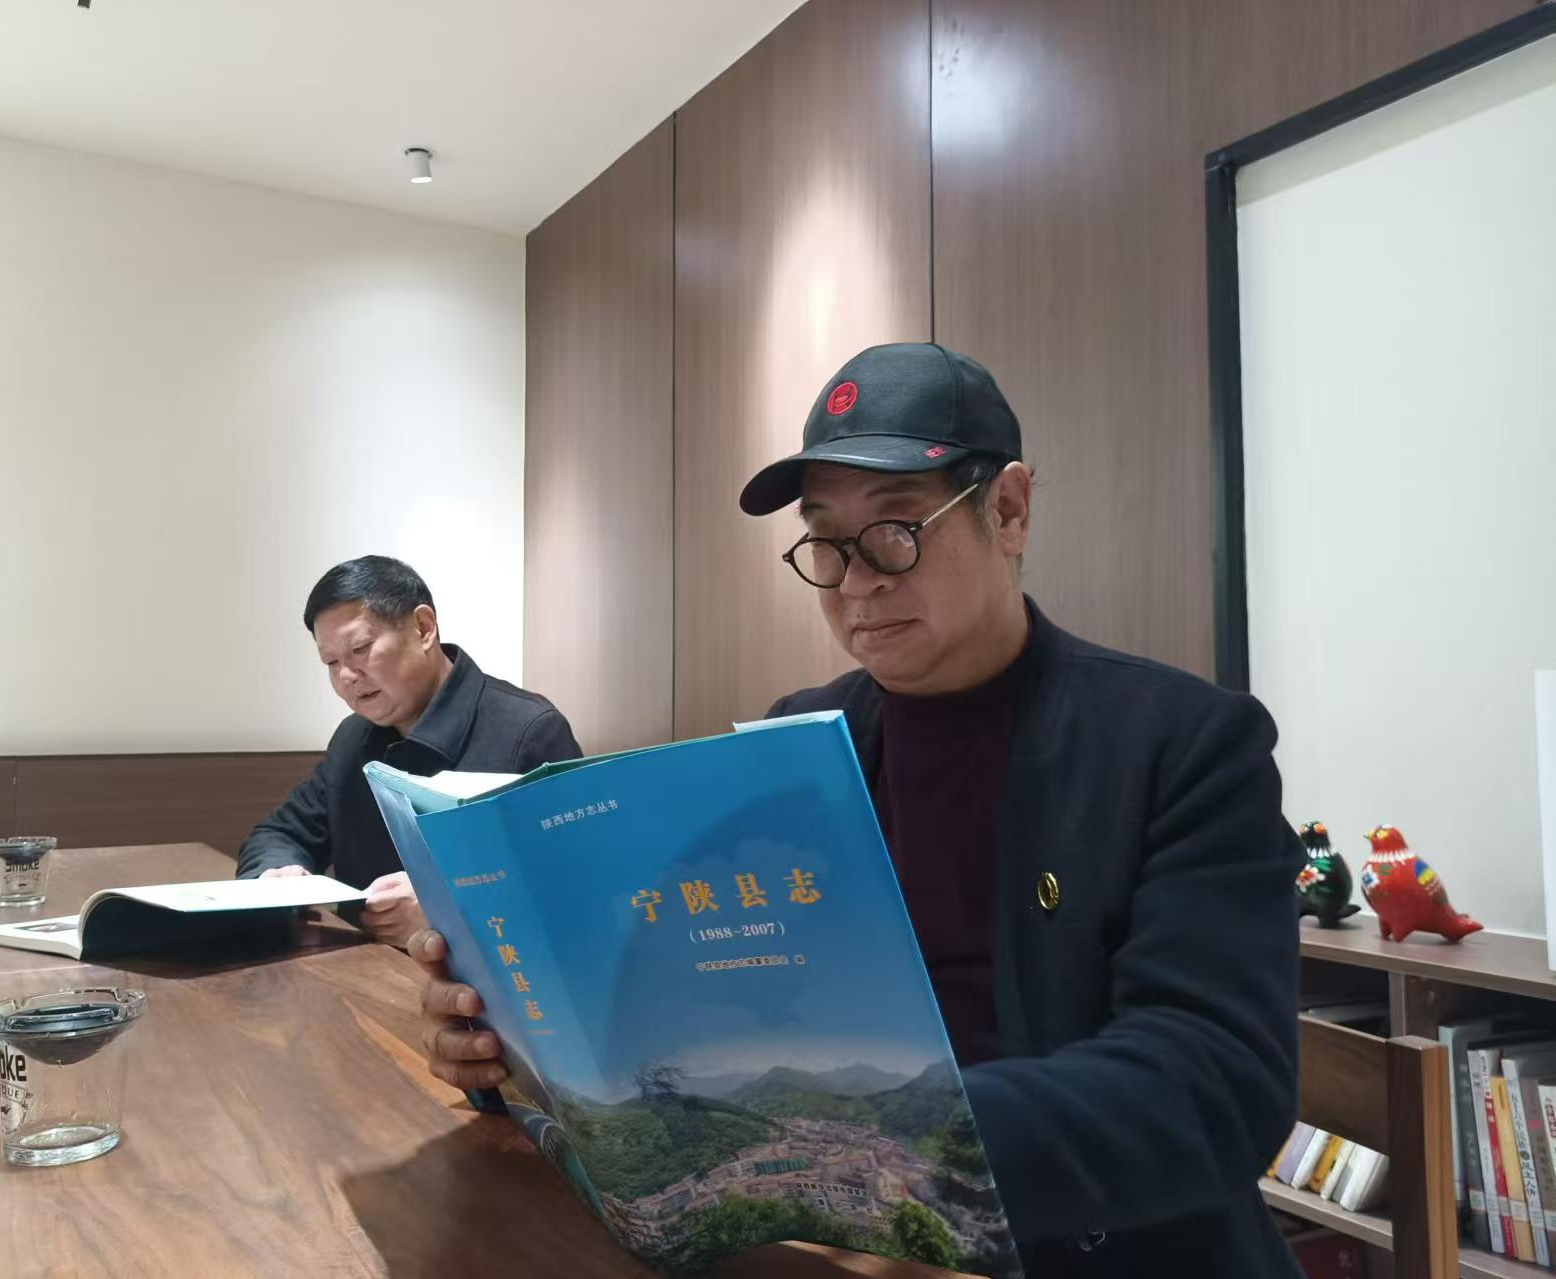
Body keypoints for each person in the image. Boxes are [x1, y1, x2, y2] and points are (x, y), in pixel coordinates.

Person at [404, 345, 1303, 1277]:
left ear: (1008, 510)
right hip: (856, 1248)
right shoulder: (796, 744)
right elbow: (694, 1018)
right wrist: (511, 1048)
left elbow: (1216, 1077)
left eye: (895, 532)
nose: (855, 583)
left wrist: (894, 1146)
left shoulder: (1181, 743)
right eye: (827, 543)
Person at [238, 555, 582, 946]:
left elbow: (576, 880)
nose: (346, 676)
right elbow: (279, 834)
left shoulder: (528, 730)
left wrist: (447, 908)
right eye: (331, 661)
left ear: (423, 628)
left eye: (360, 649)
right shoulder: (353, 739)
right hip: (364, 969)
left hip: (483, 977)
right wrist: (277, 874)